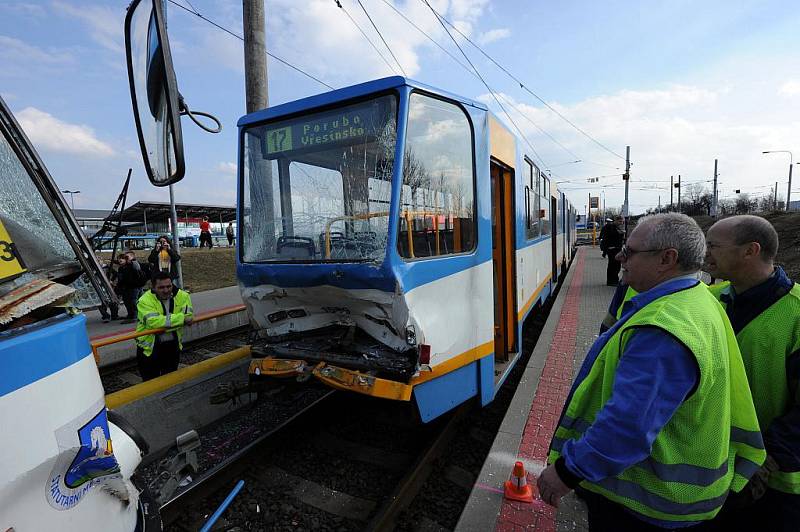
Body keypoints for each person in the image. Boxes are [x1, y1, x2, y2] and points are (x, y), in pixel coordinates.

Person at [537, 213, 765, 531]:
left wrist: (566, 473)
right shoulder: (697, 300)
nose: (619, 256)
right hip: (674, 496)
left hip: (647, 503)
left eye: (629, 251)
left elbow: (627, 426)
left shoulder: (663, 328)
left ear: (666, 259)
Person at [704, 215, 799, 531]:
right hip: (715, 472)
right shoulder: (710, 301)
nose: (705, 253)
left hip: (776, 487)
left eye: (713, 246)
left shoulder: (796, 314)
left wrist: (766, 460)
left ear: (750, 251)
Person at [135, 271, 193, 381]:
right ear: (153, 287)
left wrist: (164, 326)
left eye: (168, 286)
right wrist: (180, 319)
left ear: (172, 284)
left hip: (172, 346)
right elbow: (153, 323)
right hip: (150, 349)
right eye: (161, 287)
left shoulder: (183, 296)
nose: (166, 290)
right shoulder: (144, 300)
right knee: (150, 383)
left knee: (170, 380)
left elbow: (189, 316)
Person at [598, 215, 624, 285]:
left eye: (622, 221)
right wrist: (607, 247)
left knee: (617, 265)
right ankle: (611, 281)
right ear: (615, 220)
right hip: (612, 249)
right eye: (620, 221)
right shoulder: (609, 227)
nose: (621, 223)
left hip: (617, 248)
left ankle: (615, 279)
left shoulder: (617, 227)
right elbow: (606, 237)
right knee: (613, 265)